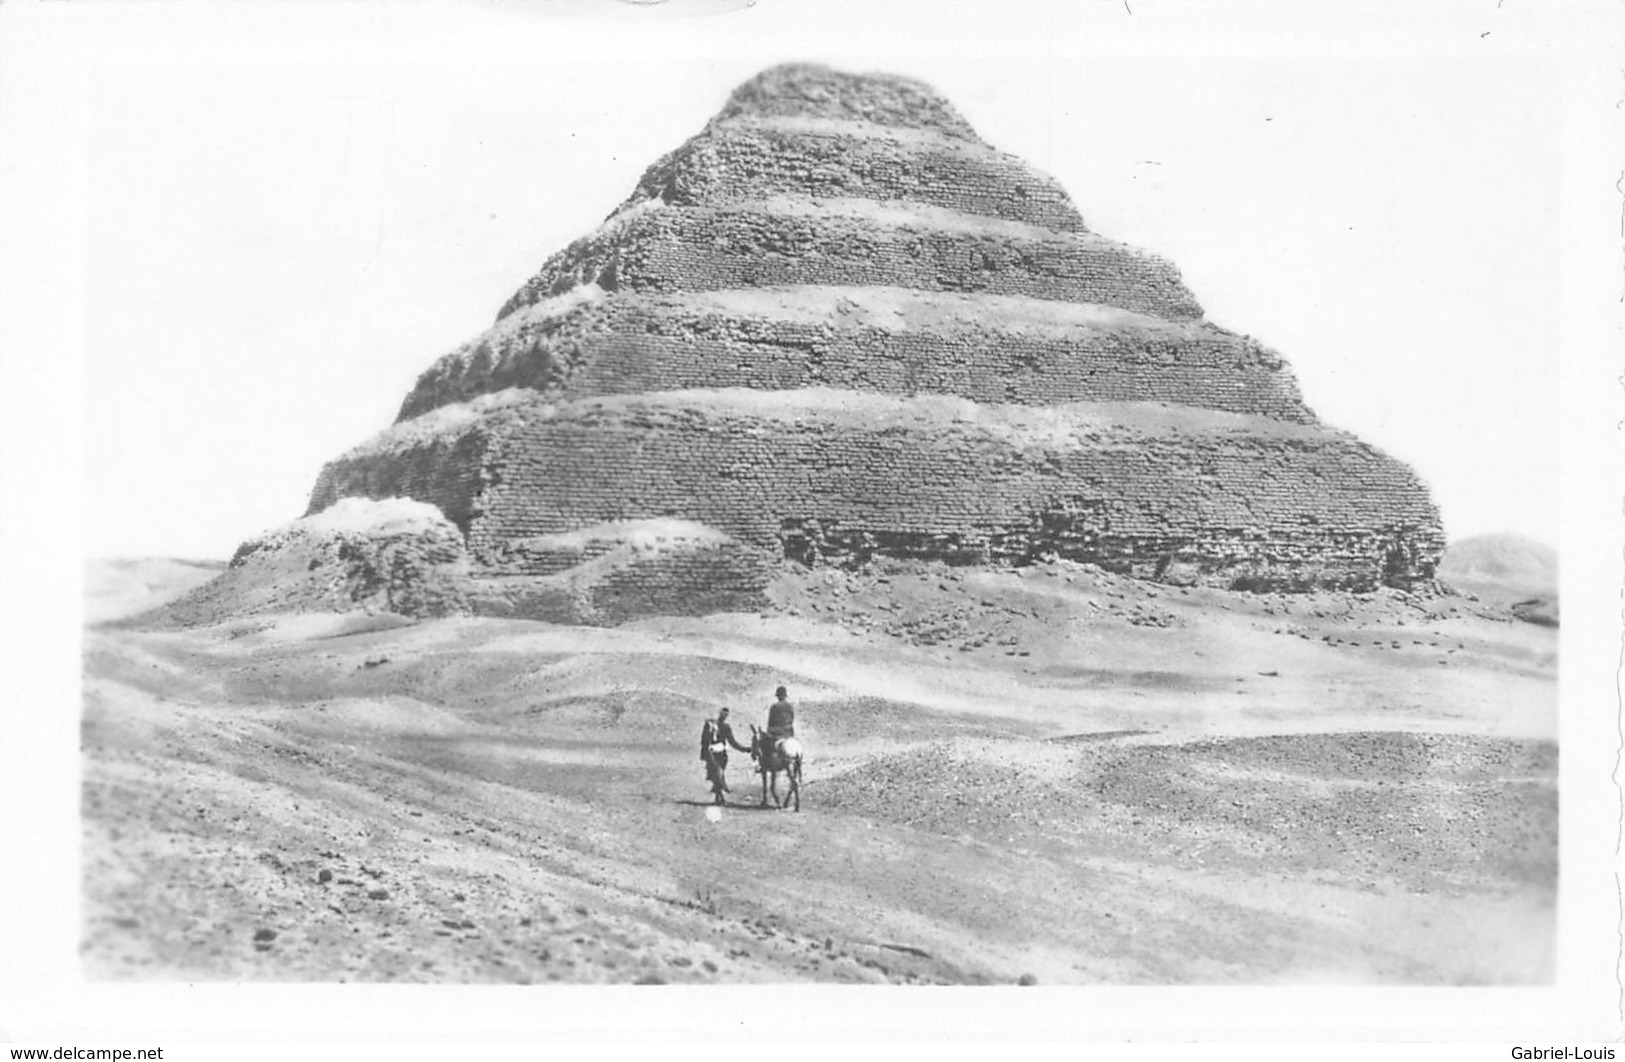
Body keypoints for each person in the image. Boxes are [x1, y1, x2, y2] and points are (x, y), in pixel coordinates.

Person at [699, 707, 751, 805]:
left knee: (718, 774)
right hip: (715, 753)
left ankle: (719, 797)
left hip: (717, 753)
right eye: (724, 715)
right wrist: (745, 749)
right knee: (718, 774)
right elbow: (705, 740)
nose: (724, 717)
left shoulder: (718, 726)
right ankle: (719, 797)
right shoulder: (715, 725)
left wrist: (745, 749)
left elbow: (732, 741)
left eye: (725, 715)